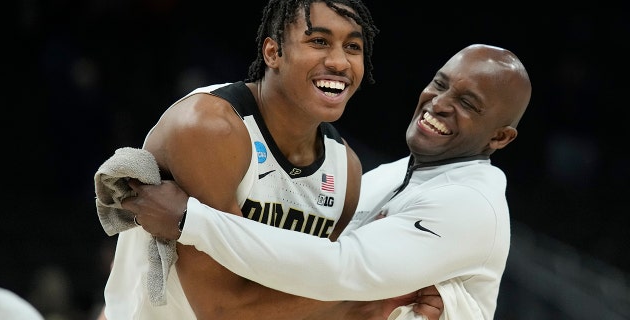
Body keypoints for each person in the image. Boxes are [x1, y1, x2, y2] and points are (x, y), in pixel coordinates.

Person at [123, 43, 532, 319]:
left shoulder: (471, 205)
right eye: (440, 84)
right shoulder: (387, 176)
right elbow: (325, 274)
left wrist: (188, 221)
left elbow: (340, 268)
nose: (439, 103)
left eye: (467, 103)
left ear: (500, 137)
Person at [100, 0, 442, 319]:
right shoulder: (210, 127)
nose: (339, 61)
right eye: (319, 41)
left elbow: (303, 293)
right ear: (273, 52)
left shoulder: (346, 170)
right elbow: (221, 308)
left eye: (352, 47)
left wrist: (369, 296)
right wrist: (370, 288)